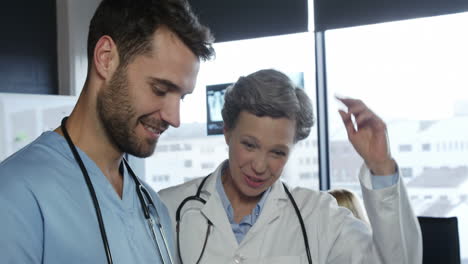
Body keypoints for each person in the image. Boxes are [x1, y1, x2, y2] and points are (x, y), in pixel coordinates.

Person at [0, 0, 214, 263]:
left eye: (181, 97)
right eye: (160, 89)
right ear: (106, 58)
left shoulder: (153, 207)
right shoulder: (15, 193)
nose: (174, 118)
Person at [159, 69, 422, 264]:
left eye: (277, 152)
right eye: (249, 145)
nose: (260, 166)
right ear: (227, 132)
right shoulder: (169, 208)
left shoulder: (319, 216)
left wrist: (381, 166)